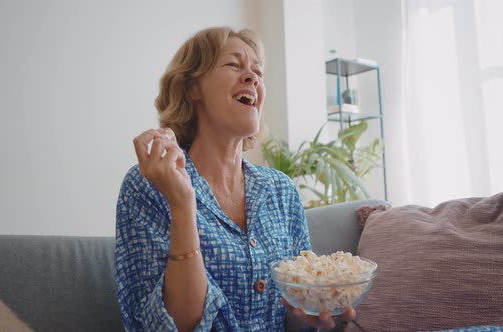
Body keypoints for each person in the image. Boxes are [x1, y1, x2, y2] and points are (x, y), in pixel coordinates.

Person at [115, 26, 356, 331]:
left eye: (257, 71)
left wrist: (308, 315)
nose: (252, 77)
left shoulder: (281, 190)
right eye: (233, 64)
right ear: (192, 88)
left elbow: (295, 308)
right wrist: (182, 204)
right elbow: (173, 325)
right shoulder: (149, 184)